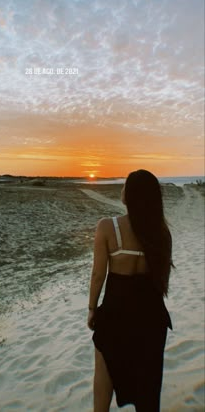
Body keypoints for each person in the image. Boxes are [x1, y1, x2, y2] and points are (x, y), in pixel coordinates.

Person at [87, 169, 174, 412]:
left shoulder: (107, 227)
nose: (121, 190)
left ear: (132, 194)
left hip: (115, 315)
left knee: (103, 382)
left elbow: (98, 275)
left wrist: (92, 309)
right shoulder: (162, 234)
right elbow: (162, 281)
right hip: (151, 318)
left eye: (125, 185)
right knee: (148, 389)